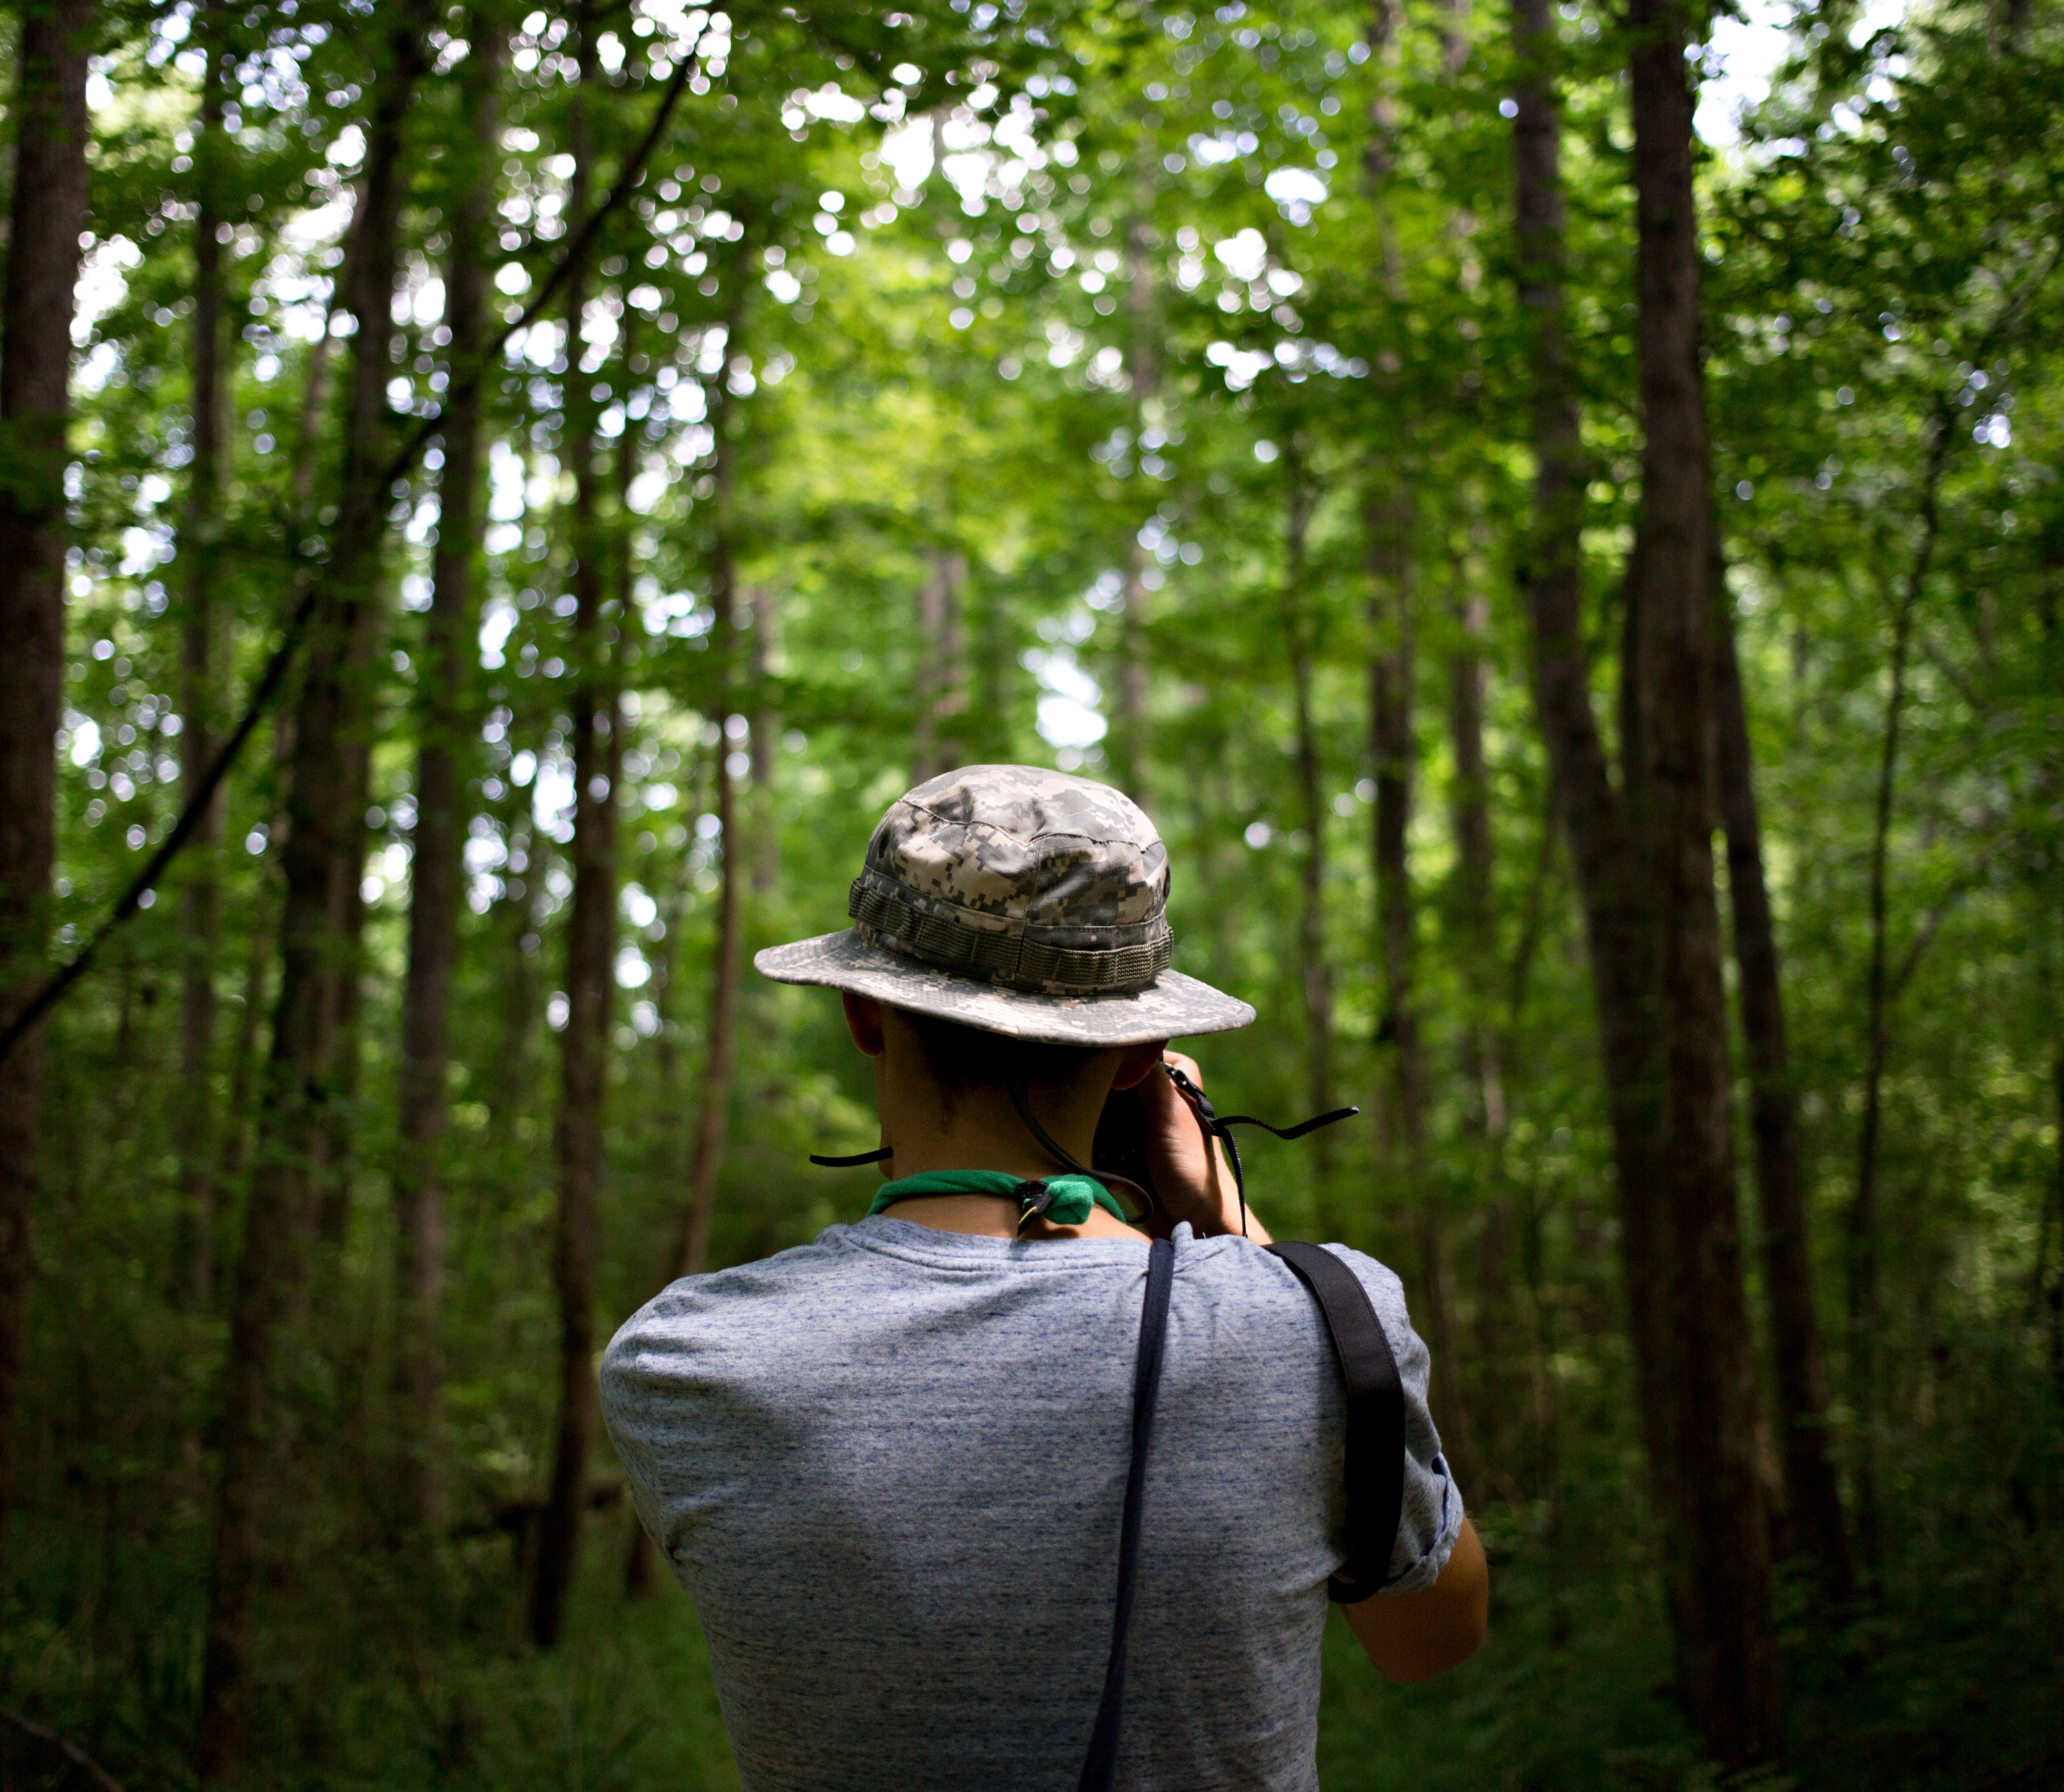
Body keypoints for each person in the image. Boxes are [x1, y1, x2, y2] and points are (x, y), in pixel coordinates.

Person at [602, 765, 1487, 1791]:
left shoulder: (688, 1362)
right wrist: (1225, 1214)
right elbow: (1433, 1639)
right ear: (1138, 1052)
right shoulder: (1316, 1328)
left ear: (862, 1012)